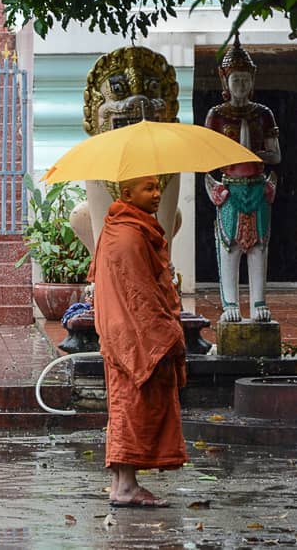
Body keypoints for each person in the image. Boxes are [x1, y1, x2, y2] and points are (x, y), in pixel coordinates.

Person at [88, 175, 187, 507]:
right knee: (134, 404)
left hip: (119, 333)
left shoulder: (122, 228)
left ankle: (121, 483)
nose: (157, 194)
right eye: (149, 188)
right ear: (128, 194)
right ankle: (127, 485)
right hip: (134, 334)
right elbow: (139, 295)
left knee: (123, 403)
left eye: (159, 186)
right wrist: (166, 330)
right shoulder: (129, 235)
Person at [204, 34, 281, 323]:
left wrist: (257, 153)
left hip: (258, 186)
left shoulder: (263, 114)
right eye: (236, 80)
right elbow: (206, 157)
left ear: (252, 81)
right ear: (226, 82)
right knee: (230, 245)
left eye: (245, 80)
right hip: (231, 188)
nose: (241, 86)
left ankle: (259, 302)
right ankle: (230, 303)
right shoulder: (217, 115)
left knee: (259, 245)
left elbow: (276, 156)